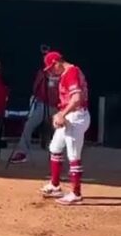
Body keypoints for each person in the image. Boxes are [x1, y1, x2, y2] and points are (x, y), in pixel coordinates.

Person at [38, 51, 90, 206]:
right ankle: (55, 185)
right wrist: (61, 114)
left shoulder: (71, 73)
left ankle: (76, 193)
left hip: (76, 117)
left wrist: (62, 114)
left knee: (74, 155)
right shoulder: (69, 72)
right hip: (70, 115)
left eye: (52, 67)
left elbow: (76, 99)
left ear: (57, 62)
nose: (52, 71)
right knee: (55, 147)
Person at [9, 45, 59, 164]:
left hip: (59, 106)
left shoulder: (63, 74)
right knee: (28, 125)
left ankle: (59, 157)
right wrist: (43, 79)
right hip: (43, 104)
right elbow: (35, 88)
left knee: (60, 131)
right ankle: (22, 152)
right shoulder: (42, 72)